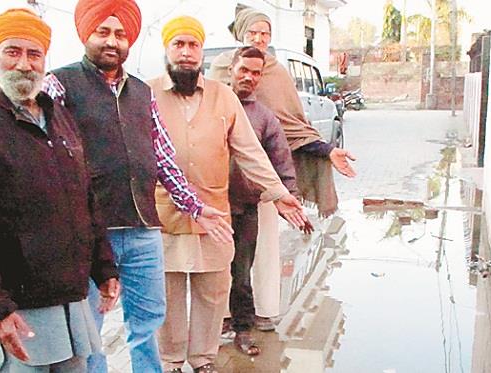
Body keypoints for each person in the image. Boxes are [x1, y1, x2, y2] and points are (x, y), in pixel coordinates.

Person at [42, 1, 233, 372]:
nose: (112, 41)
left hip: (144, 229)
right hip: (91, 233)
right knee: (91, 329)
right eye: (103, 32)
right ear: (86, 35)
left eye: (120, 33)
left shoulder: (142, 93)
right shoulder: (60, 84)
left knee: (148, 324)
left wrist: (194, 206)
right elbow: (44, 151)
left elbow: (162, 157)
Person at [0, 8, 120, 372]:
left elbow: (85, 198)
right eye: (13, 52)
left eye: (34, 54)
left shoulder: (58, 117)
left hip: (72, 302)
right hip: (20, 310)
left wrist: (105, 268)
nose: (25, 64)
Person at [147, 16, 309, 373]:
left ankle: (203, 360)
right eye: (179, 45)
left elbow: (251, 151)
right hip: (164, 216)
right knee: (170, 297)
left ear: (202, 52)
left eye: (193, 46)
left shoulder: (223, 98)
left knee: (212, 294)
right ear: (168, 50)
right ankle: (172, 362)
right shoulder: (146, 94)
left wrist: (278, 192)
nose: (186, 53)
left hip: (215, 217)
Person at [207, 6, 358, 330]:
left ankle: (264, 311)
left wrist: (327, 151)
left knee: (263, 250)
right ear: (241, 35)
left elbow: (292, 126)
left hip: (263, 182)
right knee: (221, 252)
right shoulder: (220, 68)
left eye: (265, 33)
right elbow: (206, 116)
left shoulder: (276, 73)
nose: (259, 39)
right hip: (221, 178)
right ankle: (224, 316)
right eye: (253, 33)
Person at [225, 46, 307, 355]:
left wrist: (290, 199)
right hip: (209, 208)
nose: (248, 76)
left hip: (246, 207)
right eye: (243, 69)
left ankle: (243, 330)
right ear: (233, 68)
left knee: (242, 272)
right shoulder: (212, 105)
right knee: (211, 274)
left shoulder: (264, 117)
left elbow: (282, 163)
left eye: (256, 72)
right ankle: (212, 327)